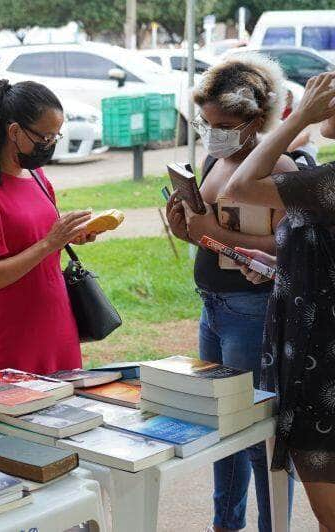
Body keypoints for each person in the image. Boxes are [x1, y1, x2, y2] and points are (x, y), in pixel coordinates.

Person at [164, 54, 297, 532]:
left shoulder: (280, 167)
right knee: (223, 428)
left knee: (257, 432)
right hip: (214, 308)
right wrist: (189, 232)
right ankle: (226, 522)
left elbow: (288, 244)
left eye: (224, 123)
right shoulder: (214, 158)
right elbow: (210, 234)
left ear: (256, 120)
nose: (212, 132)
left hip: (253, 309)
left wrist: (213, 233)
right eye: (206, 122)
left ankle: (271, 525)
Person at [224, 71, 335, 531]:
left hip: (322, 370)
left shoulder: (328, 183)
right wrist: (279, 261)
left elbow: (243, 185)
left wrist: (296, 120)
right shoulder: (323, 183)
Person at [0, 79, 95, 379]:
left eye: (55, 136)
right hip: (7, 338)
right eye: (45, 137)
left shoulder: (36, 176)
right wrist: (49, 243)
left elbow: (38, 234)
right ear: (13, 132)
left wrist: (71, 235)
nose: (51, 145)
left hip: (55, 327)